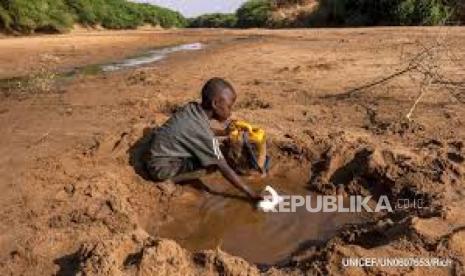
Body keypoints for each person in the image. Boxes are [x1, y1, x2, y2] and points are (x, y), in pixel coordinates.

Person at [145, 78, 261, 201]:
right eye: (229, 107)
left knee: (211, 151)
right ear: (215, 104)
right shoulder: (204, 134)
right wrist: (251, 193)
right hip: (161, 168)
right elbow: (223, 166)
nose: (230, 112)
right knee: (213, 164)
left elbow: (199, 130)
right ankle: (170, 180)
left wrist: (224, 132)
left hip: (159, 153)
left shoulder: (192, 108)